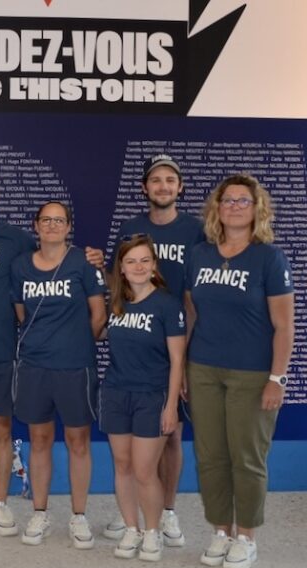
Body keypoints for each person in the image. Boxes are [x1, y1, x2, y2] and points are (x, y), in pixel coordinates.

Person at [0, 167, 102, 536]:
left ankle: (0, 504)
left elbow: (55, 259)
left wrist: (93, 258)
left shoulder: (19, 241)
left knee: (0, 429)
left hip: (3, 354)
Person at [184, 174, 294, 568]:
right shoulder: (200, 254)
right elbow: (191, 312)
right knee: (210, 456)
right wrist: (182, 370)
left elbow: (285, 326)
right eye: (227, 200)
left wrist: (276, 378)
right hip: (204, 369)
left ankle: (246, 537)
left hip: (252, 374)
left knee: (246, 459)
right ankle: (220, 531)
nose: (233, 206)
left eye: (242, 201)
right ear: (217, 208)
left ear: (256, 208)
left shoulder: (269, 258)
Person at [102, 153, 204, 546]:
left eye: (170, 180)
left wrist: (187, 351)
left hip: (180, 342)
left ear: (179, 187)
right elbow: (117, 281)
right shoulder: (131, 227)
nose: (163, 186)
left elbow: (194, 296)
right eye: (155, 180)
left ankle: (168, 513)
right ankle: (139, 514)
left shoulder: (195, 230)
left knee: (172, 434)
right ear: (145, 188)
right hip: (139, 342)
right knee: (134, 450)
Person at [11, 201, 106, 548]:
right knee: (39, 440)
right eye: (46, 220)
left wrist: (75, 344)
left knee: (78, 442)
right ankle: (40, 512)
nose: (52, 225)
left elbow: (98, 314)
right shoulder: (21, 265)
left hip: (74, 366)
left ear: (69, 227)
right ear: (36, 225)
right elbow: (21, 313)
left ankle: (79, 516)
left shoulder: (83, 262)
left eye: (59, 220)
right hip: (35, 365)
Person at [101, 235, 185, 561]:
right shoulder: (117, 303)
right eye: (131, 261)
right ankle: (131, 528)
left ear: (153, 266)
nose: (138, 267)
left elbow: (177, 359)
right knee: (122, 466)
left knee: (144, 471)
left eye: (144, 261)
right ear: (121, 268)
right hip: (116, 392)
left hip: (152, 395)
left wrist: (171, 405)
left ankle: (152, 532)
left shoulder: (167, 303)